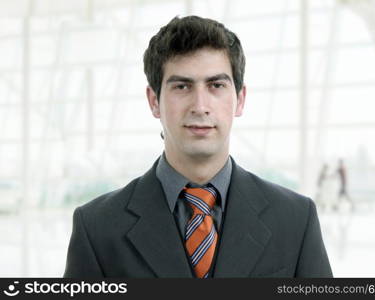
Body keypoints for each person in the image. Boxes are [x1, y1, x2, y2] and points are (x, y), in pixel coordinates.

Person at [64, 15, 332, 278]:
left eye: (216, 85)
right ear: (154, 101)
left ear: (240, 99)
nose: (200, 106)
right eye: (182, 86)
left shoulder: (295, 220)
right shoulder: (97, 228)